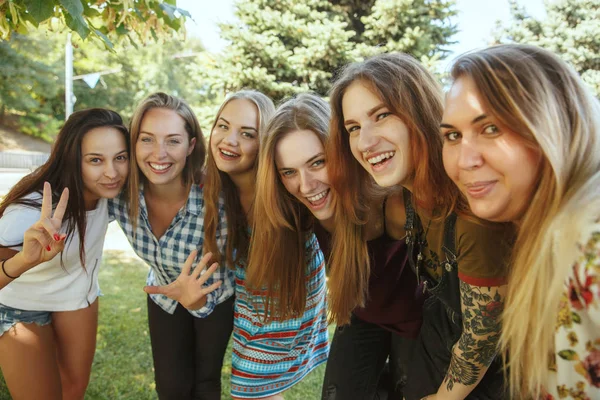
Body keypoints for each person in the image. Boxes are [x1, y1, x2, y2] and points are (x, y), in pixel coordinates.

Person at [327, 53, 514, 399]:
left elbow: (482, 339)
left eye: (381, 116)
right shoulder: (406, 197)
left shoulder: (471, 209)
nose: (365, 143)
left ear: (420, 110)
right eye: (353, 128)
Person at [441, 44, 600, 399]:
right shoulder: (542, 236)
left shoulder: (589, 241)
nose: (464, 160)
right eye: (452, 135)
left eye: (492, 128)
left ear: (554, 126)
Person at [108, 92, 235, 400]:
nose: (159, 153)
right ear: (133, 143)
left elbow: (218, 276)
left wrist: (196, 303)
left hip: (214, 297)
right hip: (163, 295)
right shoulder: (120, 195)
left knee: (205, 384)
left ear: (191, 146)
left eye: (173, 141)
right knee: (171, 388)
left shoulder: (216, 204)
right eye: (147, 139)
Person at [0, 108, 129, 400]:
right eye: (95, 160)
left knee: (73, 388)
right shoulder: (30, 212)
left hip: (76, 297)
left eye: (120, 157)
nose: (112, 172)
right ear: (72, 159)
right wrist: (23, 260)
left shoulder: (109, 192)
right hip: (18, 305)